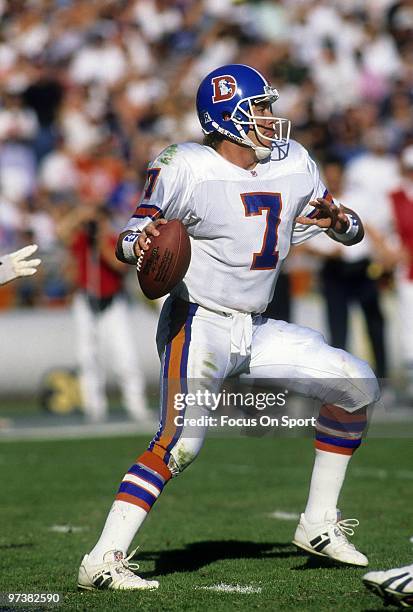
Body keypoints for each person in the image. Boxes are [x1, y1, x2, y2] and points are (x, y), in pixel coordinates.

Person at [77, 64, 379, 591]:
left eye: (266, 105)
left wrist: (340, 221)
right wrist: (140, 245)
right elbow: (130, 234)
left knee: (357, 385)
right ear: (227, 116)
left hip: (256, 327)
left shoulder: (294, 163)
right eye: (257, 107)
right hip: (197, 321)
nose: (269, 117)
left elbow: (347, 229)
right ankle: (101, 560)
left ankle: (318, 525)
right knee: (181, 443)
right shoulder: (185, 165)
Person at [56, 204, 150, 423]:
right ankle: (94, 407)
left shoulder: (113, 240)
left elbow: (119, 266)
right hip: (86, 300)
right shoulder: (81, 239)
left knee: (124, 355)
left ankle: (136, 404)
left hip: (112, 302)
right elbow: (60, 233)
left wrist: (99, 239)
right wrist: (78, 214)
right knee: (87, 355)